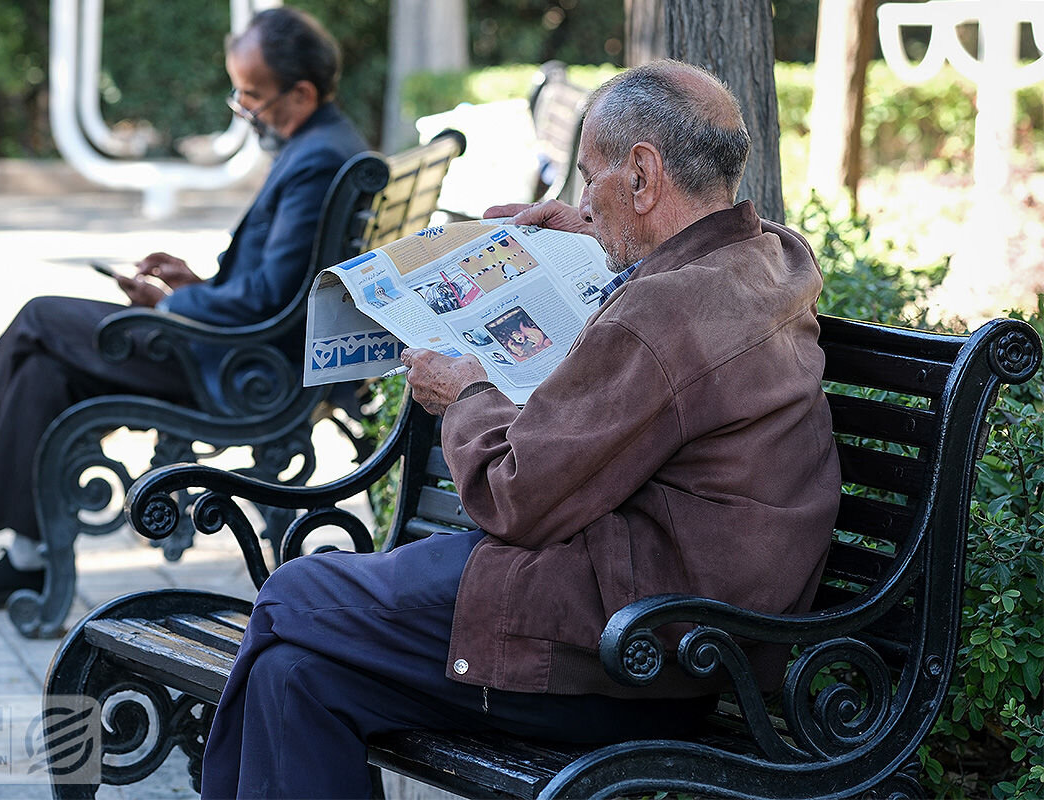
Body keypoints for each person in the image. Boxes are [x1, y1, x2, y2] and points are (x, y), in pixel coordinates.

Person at [198, 60, 842, 799]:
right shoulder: (772, 258)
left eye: (587, 177)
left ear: (642, 175)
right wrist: (590, 231)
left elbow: (513, 496)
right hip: (679, 622)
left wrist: (466, 392)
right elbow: (677, 263)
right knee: (292, 676)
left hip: (627, 642)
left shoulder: (664, 317)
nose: (580, 200)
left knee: (292, 599)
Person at [0, 7, 367, 611]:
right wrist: (196, 280)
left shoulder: (317, 158)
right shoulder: (323, 143)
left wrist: (176, 303)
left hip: (238, 370)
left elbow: (266, 300)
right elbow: (273, 283)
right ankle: (26, 562)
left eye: (253, 98)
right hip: (245, 354)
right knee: (43, 373)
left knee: (40, 316)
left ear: (301, 91)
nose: (245, 112)